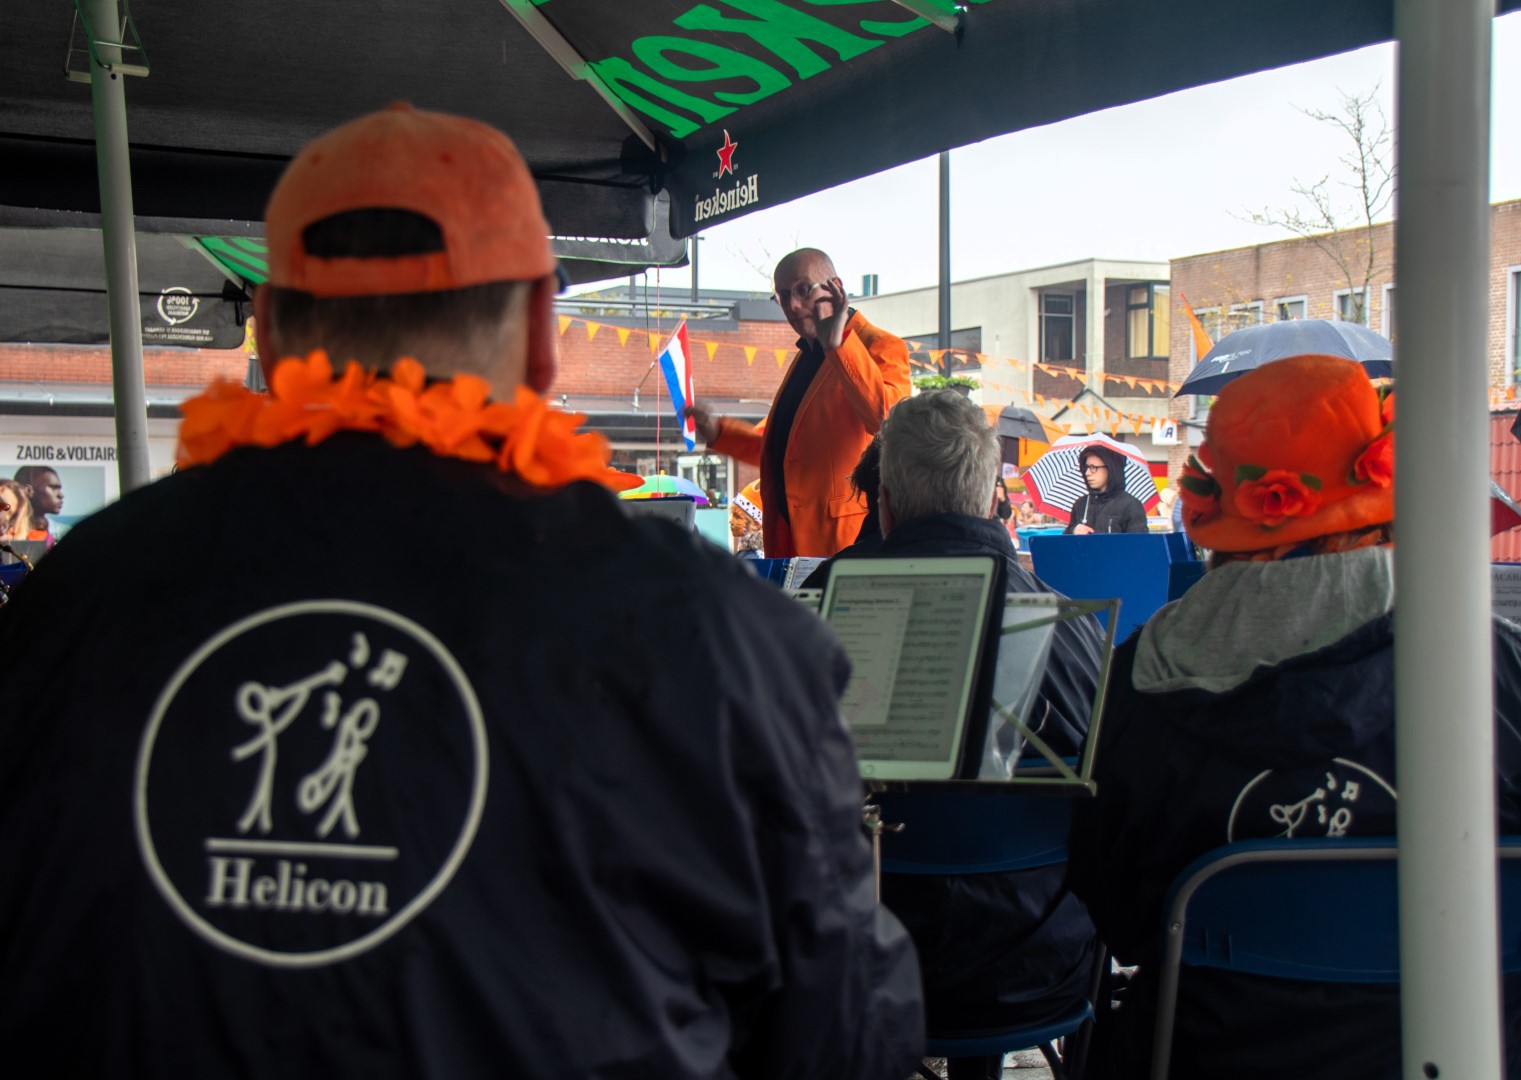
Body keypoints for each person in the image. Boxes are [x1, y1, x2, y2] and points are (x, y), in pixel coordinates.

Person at [0, 104, 923, 1079]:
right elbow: (847, 1036)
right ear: (541, 341)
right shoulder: (719, 639)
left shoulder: (70, 603)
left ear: (266, 331)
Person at [1070, 356, 1521, 1080]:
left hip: (1204, 1056)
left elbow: (1115, 915)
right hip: (1469, 1058)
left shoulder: (1138, 677)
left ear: (1219, 519)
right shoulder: (1497, 670)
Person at [838, 391, 1107, 1075]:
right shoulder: (1069, 626)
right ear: (992, 500)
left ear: (885, 506)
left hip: (860, 968)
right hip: (1041, 963)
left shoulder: (823, 620)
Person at [685, 249, 910, 558]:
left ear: (835, 288)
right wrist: (718, 433)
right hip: (791, 542)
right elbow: (781, 450)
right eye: (783, 295)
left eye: (803, 289)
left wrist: (841, 346)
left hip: (845, 541)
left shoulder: (880, 345)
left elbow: (887, 424)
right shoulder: (807, 356)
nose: (791, 305)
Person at [1062, 448, 1147, 534]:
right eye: (1086, 467)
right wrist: (1073, 530)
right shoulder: (1081, 504)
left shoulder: (1131, 505)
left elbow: (1139, 540)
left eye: (1093, 467)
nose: (1087, 473)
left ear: (1110, 468)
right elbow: (1066, 539)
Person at [12, 466, 61, 543]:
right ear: (28, 490)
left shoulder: (63, 531)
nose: (60, 495)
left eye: (59, 489)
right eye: (53, 488)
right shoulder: (5, 532)